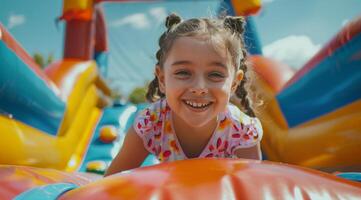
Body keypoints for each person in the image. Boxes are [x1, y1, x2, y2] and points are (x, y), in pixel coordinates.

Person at [105, 13, 263, 176]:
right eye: (183, 72)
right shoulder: (151, 124)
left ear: (234, 84)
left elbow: (252, 189)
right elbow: (110, 184)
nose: (199, 87)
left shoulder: (242, 131)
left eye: (215, 75)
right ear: (162, 79)